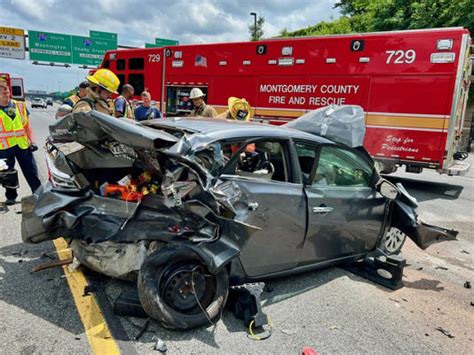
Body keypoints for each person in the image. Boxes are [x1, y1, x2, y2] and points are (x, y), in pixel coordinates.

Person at [0, 77, 41, 205]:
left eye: (6, 88)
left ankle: (39, 193)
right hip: (4, 147)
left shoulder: (20, 105)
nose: (5, 92)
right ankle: (11, 196)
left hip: (22, 145)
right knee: (7, 173)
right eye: (1, 90)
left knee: (31, 171)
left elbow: (27, 126)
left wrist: (32, 141)